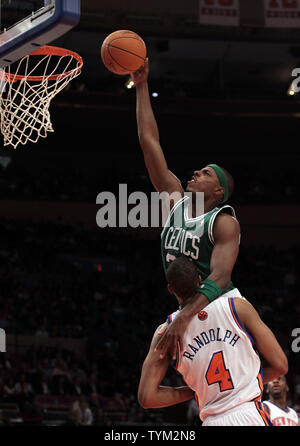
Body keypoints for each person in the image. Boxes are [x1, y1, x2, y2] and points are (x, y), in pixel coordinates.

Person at [131, 59, 241, 359]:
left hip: (221, 310)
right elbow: (149, 141)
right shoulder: (174, 203)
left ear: (219, 191)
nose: (196, 173)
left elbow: (218, 278)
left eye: (206, 173)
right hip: (186, 311)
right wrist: (141, 85)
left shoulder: (223, 221)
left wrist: (183, 317)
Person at [138, 256, 288, 426]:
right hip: (249, 414)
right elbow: (280, 365)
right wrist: (246, 381)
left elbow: (147, 398)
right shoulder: (236, 307)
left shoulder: (165, 332)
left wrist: (197, 390)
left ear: (171, 289)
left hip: (211, 421)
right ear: (200, 280)